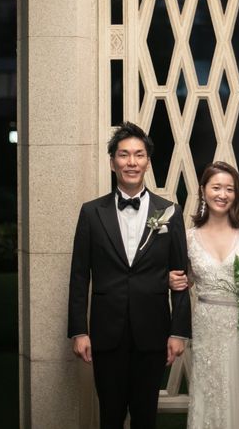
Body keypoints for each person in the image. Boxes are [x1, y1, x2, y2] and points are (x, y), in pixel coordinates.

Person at [68, 122, 191, 429]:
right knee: (109, 416)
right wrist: (79, 331)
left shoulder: (170, 213)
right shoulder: (91, 213)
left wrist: (178, 332)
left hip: (153, 331)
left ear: (148, 162)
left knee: (145, 417)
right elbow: (79, 276)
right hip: (106, 332)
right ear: (113, 162)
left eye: (139, 155)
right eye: (124, 155)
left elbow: (180, 277)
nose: (131, 162)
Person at [170, 161, 239, 429]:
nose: (223, 194)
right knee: (210, 390)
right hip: (206, 326)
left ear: (236, 194)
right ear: (203, 190)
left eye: (230, 189)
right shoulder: (188, 238)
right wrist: (171, 280)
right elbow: (185, 280)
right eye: (216, 187)